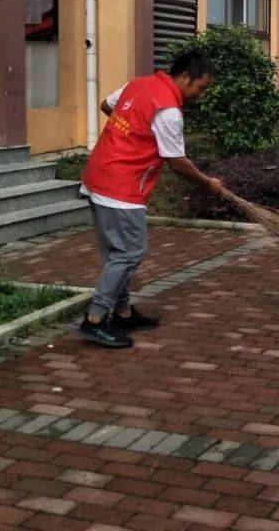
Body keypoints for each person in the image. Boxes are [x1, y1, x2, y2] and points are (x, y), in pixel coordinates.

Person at [77, 49, 223, 349]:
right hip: (120, 187)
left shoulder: (139, 84)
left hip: (99, 176)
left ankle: (123, 313)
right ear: (185, 77)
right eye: (202, 87)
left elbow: (108, 105)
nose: (202, 94)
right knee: (129, 253)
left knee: (115, 253)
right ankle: (94, 320)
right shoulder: (168, 109)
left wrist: (132, 133)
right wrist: (208, 183)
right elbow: (177, 162)